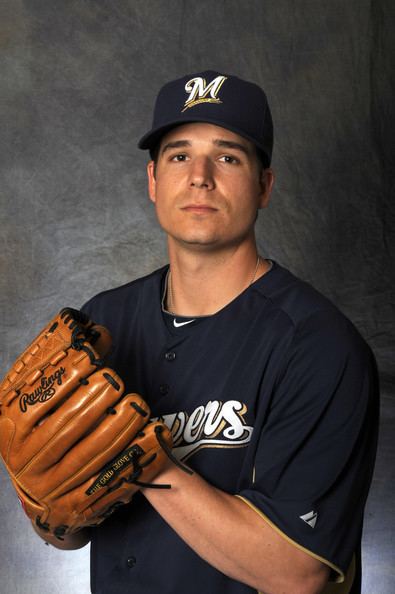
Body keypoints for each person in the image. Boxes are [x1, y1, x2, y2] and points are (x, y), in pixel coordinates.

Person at [36, 71, 379, 594]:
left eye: (227, 156)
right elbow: (67, 532)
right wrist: (41, 493)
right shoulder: (102, 322)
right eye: (178, 155)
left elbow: (297, 573)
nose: (200, 176)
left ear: (264, 185)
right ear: (153, 181)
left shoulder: (319, 346)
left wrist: (142, 459)